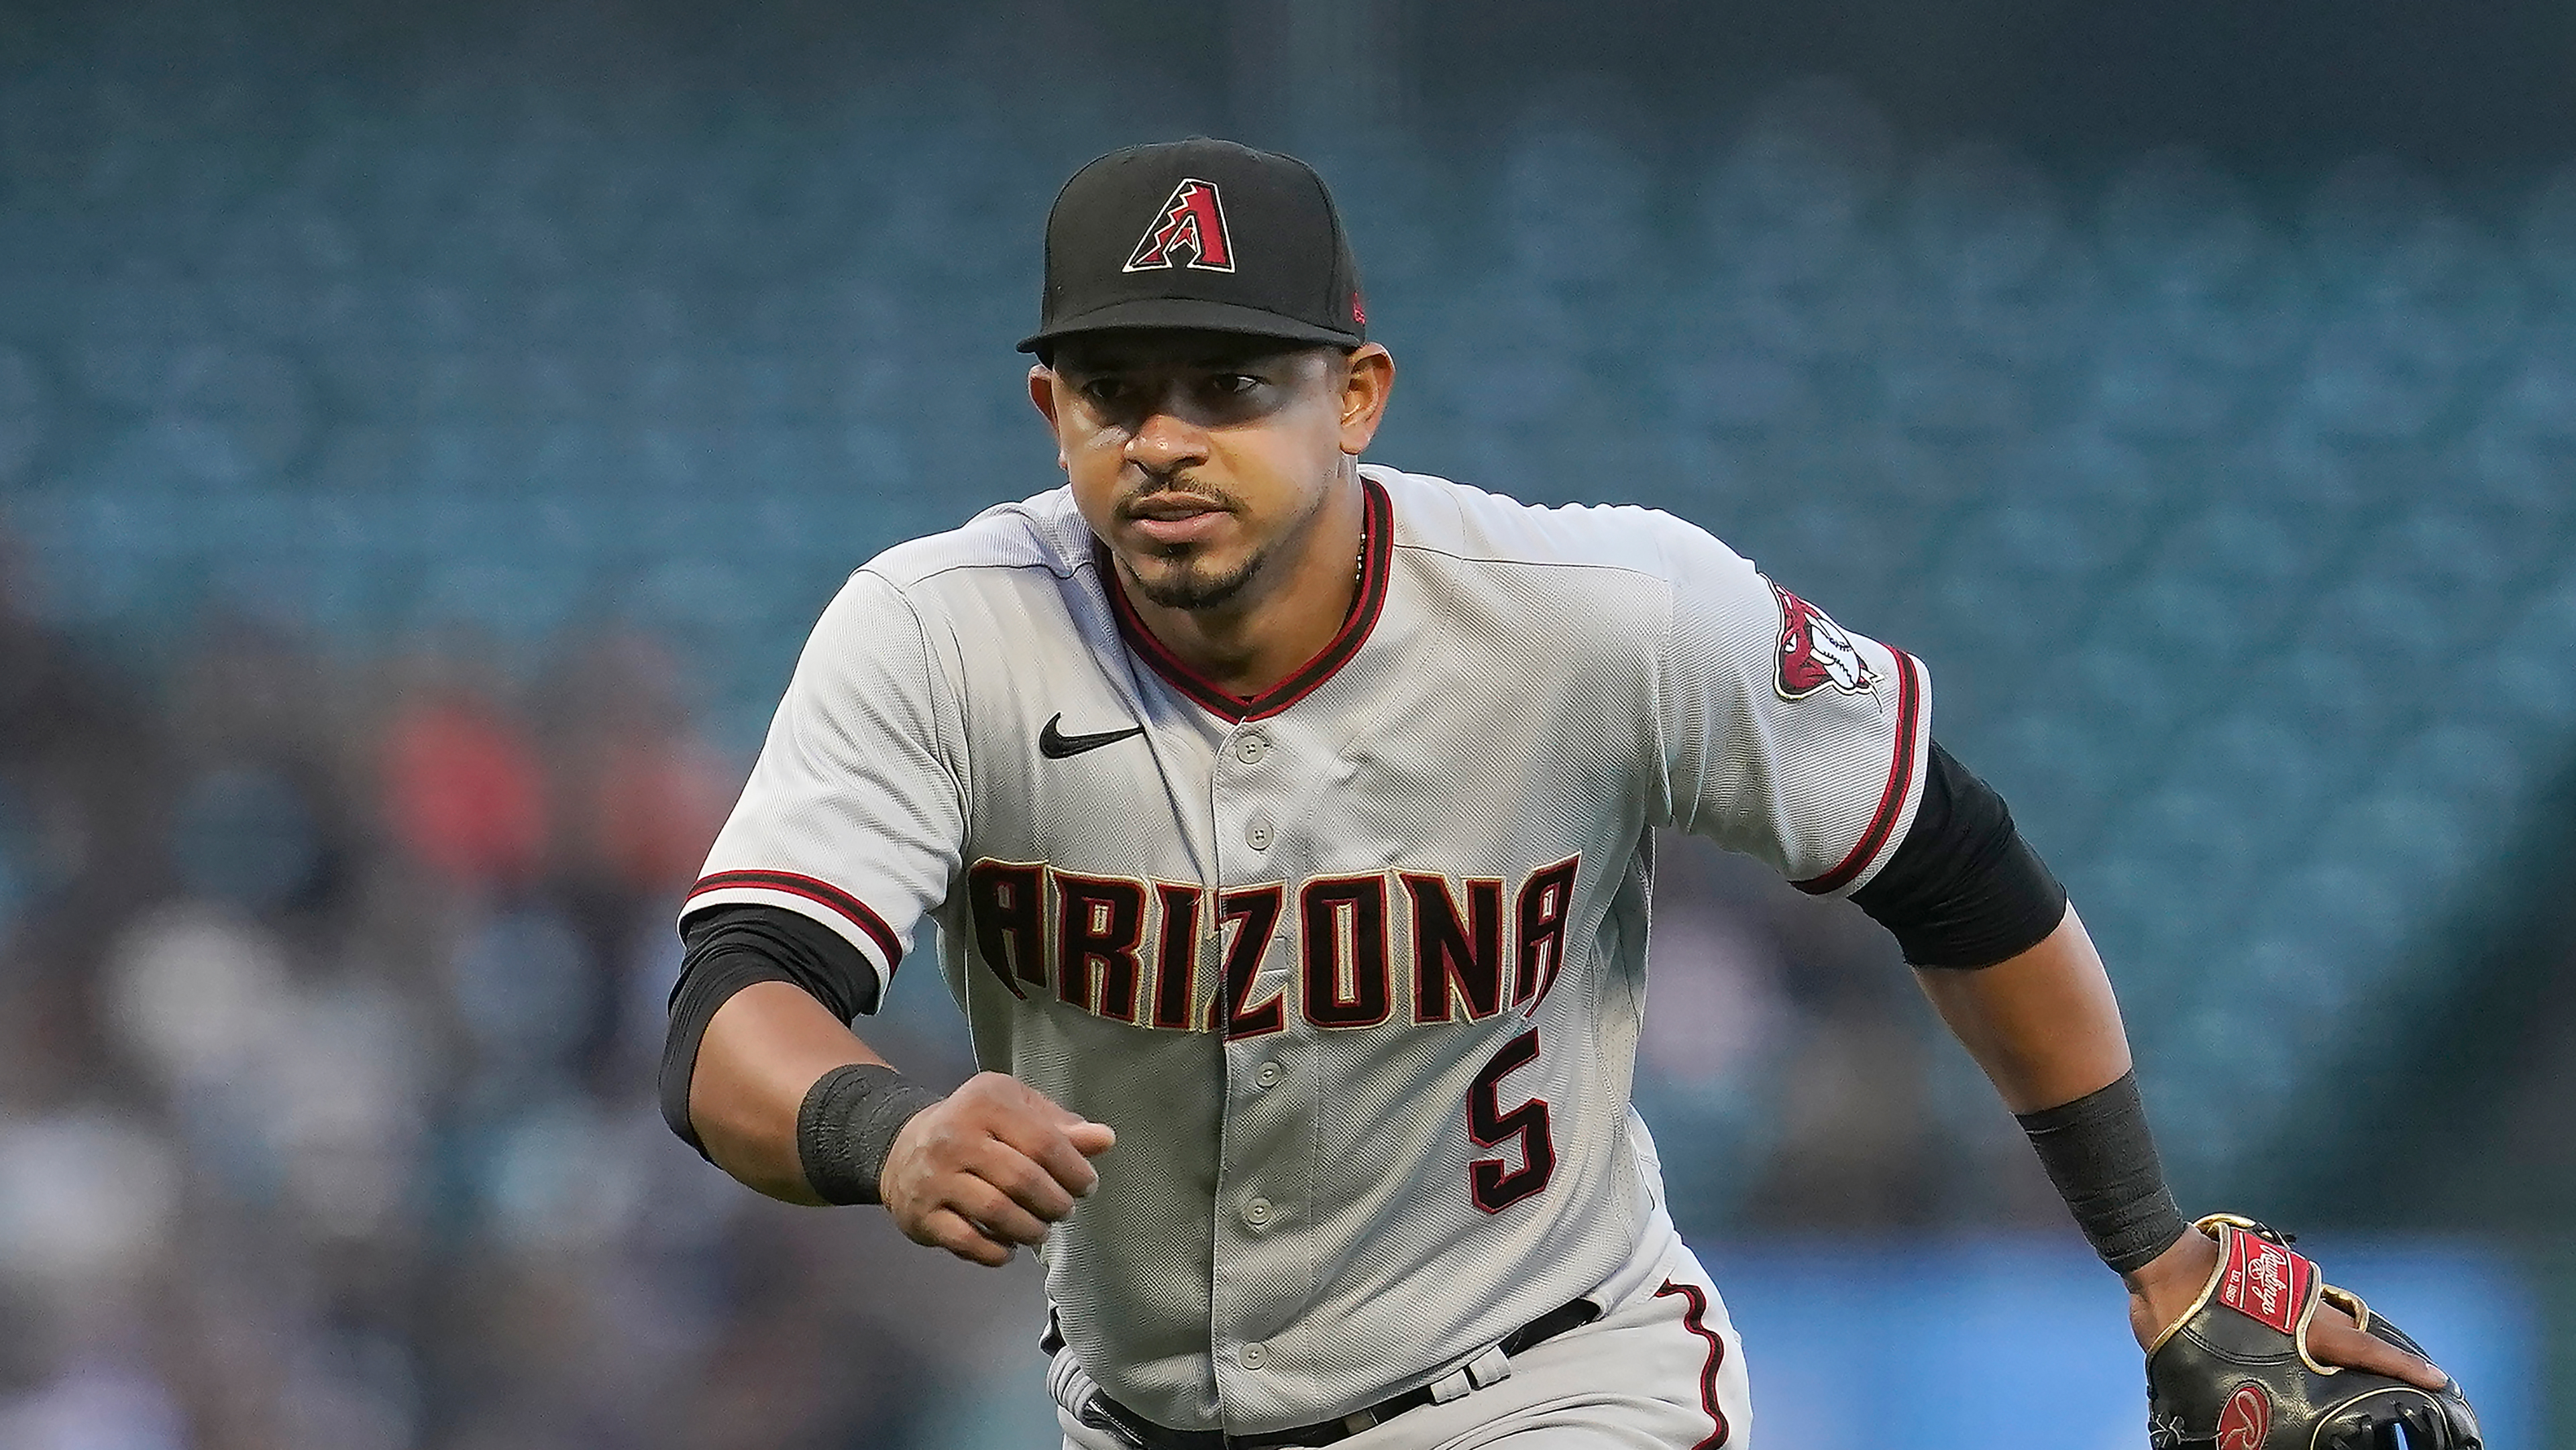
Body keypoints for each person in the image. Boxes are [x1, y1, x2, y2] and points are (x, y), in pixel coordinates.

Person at [659, 139, 2447, 1448]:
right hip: (1135, 1416)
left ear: (1354, 395)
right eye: (1119, 390)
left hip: (1549, 1384)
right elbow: (729, 1009)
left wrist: (2148, 1246)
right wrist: (876, 1126)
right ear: (1049, 408)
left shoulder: (1601, 612)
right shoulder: (939, 633)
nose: (1168, 435)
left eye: (1233, 383)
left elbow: (1957, 866)